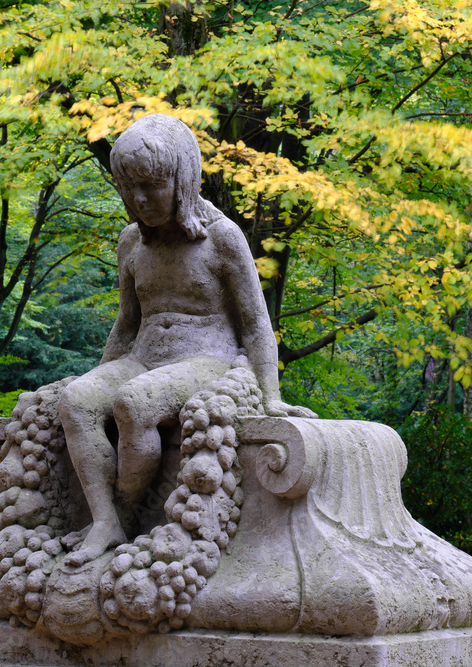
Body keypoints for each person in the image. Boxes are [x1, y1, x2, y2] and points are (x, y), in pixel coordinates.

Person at [58, 114, 313, 567]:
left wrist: (271, 397)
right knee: (77, 400)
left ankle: (125, 511)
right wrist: (99, 375)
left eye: (152, 184)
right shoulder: (132, 243)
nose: (140, 199)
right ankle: (105, 521)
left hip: (206, 357)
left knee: (134, 405)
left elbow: (256, 324)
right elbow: (126, 323)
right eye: (127, 187)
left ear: (182, 178)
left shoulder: (222, 238)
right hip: (144, 356)